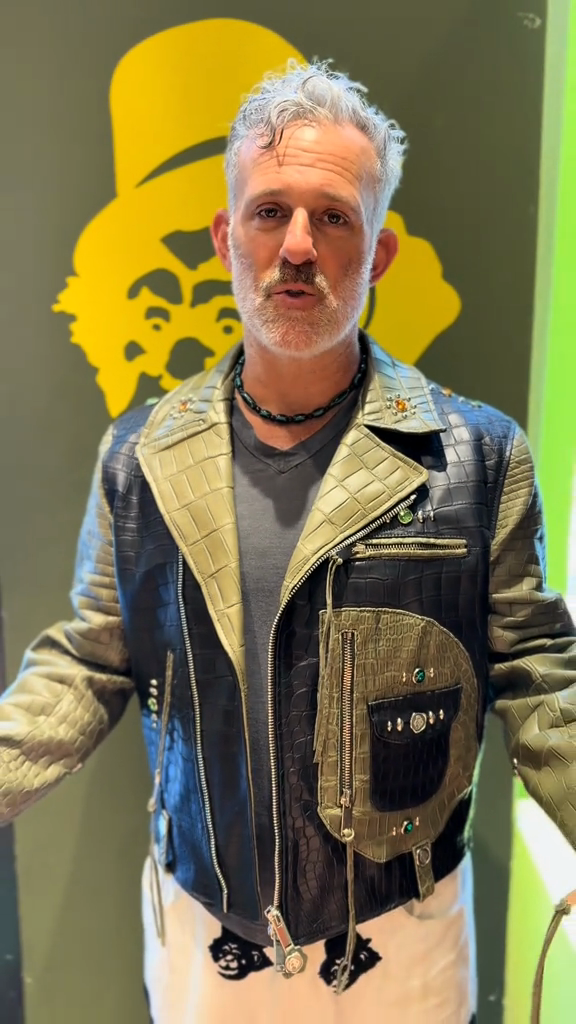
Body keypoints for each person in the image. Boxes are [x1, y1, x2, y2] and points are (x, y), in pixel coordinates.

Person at [1, 60, 574, 1024]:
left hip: (404, 937)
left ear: (378, 254)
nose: (298, 246)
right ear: (228, 238)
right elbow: (93, 657)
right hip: (202, 933)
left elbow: (539, 672)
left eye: (333, 217)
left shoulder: (478, 458)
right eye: (270, 212)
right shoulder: (140, 457)